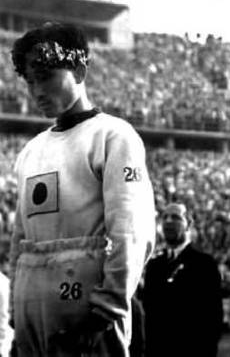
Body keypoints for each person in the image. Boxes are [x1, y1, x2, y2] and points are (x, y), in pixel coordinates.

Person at [9, 22, 156, 356]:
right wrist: (17, 314)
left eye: (45, 77)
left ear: (78, 68)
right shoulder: (30, 150)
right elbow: (20, 238)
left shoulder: (113, 136)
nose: (36, 92)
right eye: (30, 81)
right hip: (32, 313)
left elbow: (132, 232)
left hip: (87, 312)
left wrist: (107, 308)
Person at [142, 203, 223, 357]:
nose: (168, 221)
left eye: (176, 217)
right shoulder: (154, 266)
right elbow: (150, 317)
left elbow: (213, 319)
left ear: (189, 225)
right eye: (164, 217)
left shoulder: (204, 264)